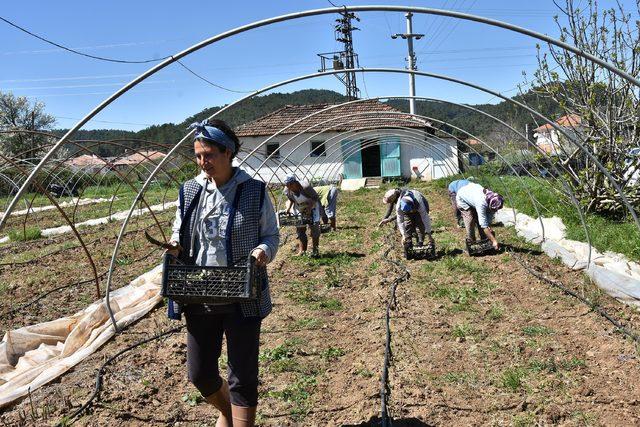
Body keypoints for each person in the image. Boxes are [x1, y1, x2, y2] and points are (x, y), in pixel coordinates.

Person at [166, 119, 279, 427]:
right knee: (200, 373)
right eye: (199, 155)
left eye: (210, 154)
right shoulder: (190, 191)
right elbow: (178, 228)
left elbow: (271, 235)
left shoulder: (253, 191)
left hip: (242, 293)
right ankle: (227, 412)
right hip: (200, 292)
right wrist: (175, 244)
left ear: (228, 153)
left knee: (242, 373)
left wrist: (262, 251)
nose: (204, 162)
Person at [455, 182, 504, 251]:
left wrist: (489, 227)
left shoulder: (493, 199)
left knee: (480, 220)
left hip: (472, 195)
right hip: (462, 198)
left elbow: (488, 218)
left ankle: (485, 239)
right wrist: (494, 241)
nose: (495, 211)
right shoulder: (481, 203)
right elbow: (483, 224)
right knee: (470, 219)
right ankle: (471, 241)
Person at [283, 174, 321, 256]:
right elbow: (291, 200)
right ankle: (302, 251)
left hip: (312, 207)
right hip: (299, 207)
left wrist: (309, 208)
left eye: (291, 184)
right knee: (300, 229)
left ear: (295, 182)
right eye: (287, 185)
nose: (289, 186)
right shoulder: (287, 190)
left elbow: (315, 197)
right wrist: (288, 208)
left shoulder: (305, 187)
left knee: (314, 229)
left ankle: (315, 251)